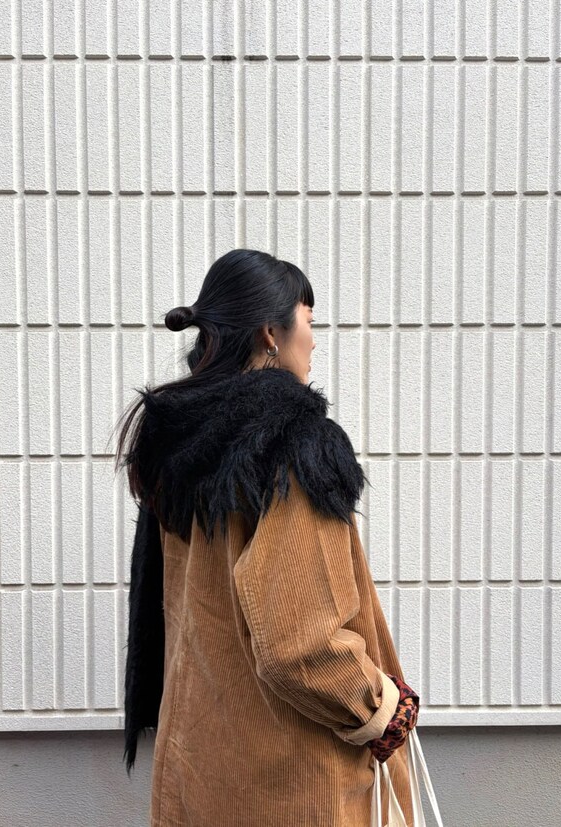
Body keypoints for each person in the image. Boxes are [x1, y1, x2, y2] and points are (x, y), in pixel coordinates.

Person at [113, 249, 420, 827]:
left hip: (203, 756)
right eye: (308, 320)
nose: (314, 340)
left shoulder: (178, 442)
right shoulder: (293, 444)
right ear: (270, 334)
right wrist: (380, 709)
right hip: (293, 778)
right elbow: (299, 643)